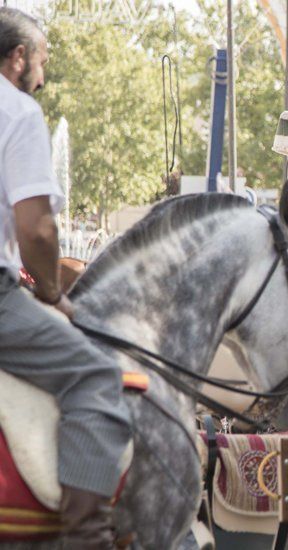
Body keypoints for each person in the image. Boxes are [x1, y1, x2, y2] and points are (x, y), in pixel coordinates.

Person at [0, 8, 132, 547]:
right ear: (17, 57)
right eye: (42, 61)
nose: (44, 76)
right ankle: (86, 536)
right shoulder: (17, 110)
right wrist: (52, 294)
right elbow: (37, 228)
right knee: (97, 375)